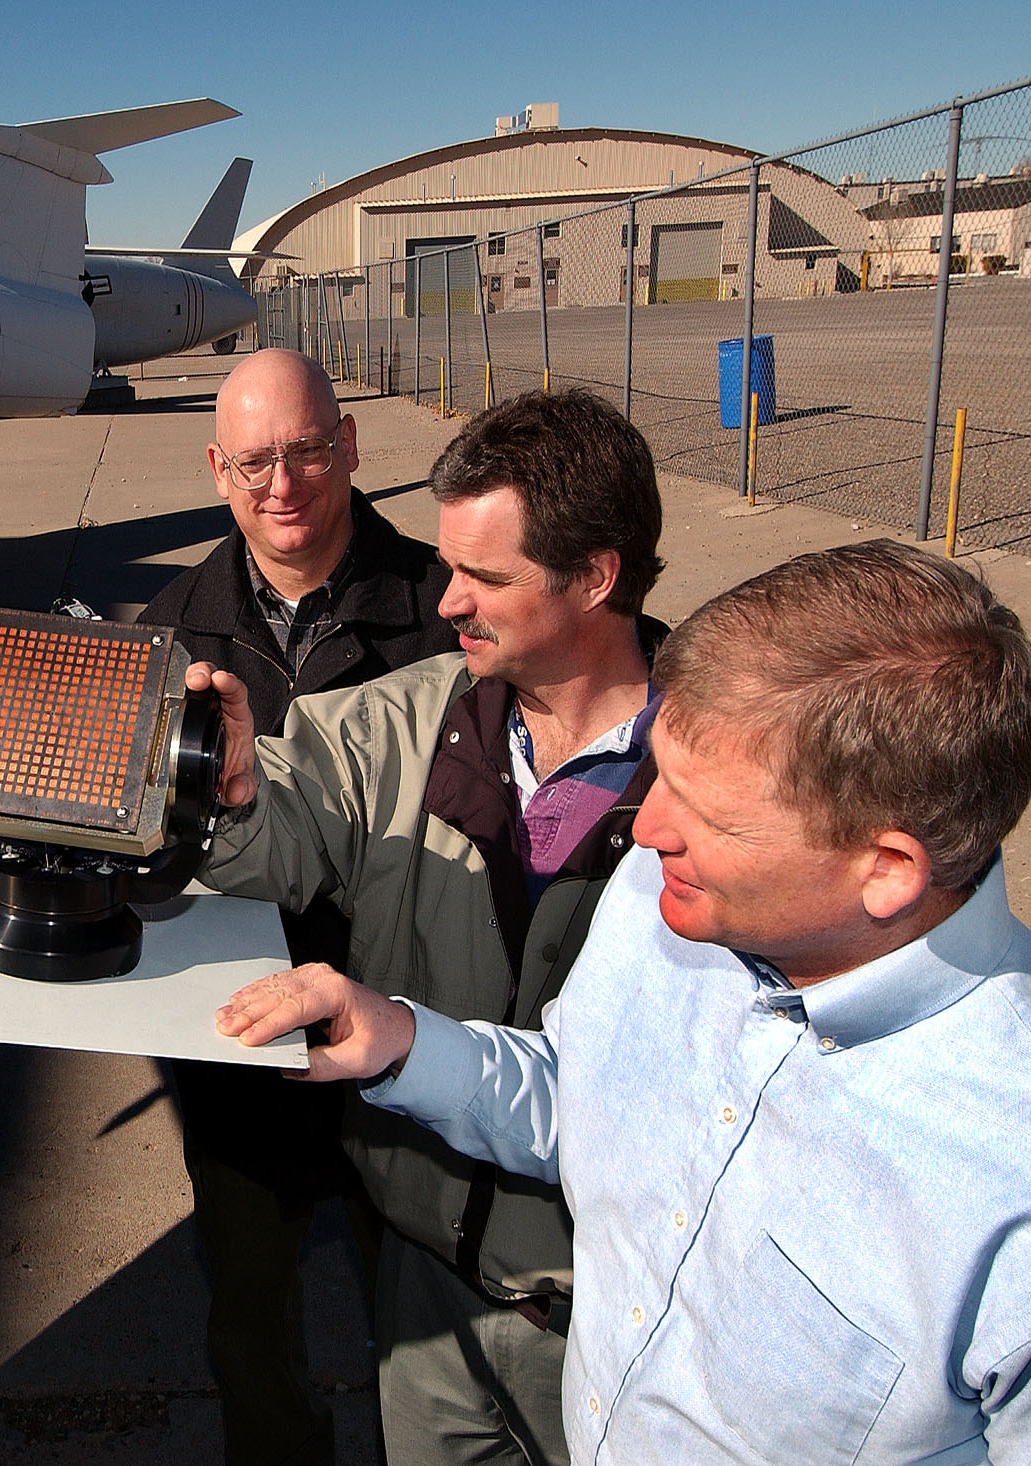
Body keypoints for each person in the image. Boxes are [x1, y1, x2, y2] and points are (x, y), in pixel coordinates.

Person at [217, 540, 1031, 1463]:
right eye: (661, 769)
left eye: (706, 811)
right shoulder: (667, 893)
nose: (648, 822)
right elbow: (582, 1093)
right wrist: (404, 1043)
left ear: (886, 870)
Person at [189, 388, 668, 1466]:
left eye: (485, 578)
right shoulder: (402, 718)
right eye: (449, 566)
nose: (446, 599)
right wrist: (226, 793)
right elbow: (285, 822)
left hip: (624, 1313)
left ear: (595, 575)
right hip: (423, 1288)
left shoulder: (725, 782)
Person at [140, 347, 456, 1466]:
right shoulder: (167, 631)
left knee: (433, 1327)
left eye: (309, 450)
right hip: (240, 1043)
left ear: (351, 446)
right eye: (257, 460)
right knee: (250, 1322)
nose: (286, 483)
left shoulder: (442, 615)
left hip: (404, 1031)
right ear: (218, 468)